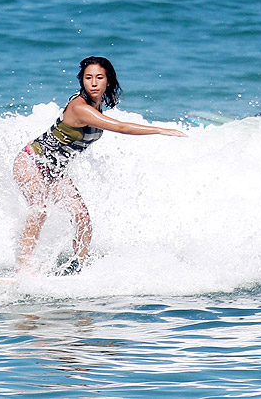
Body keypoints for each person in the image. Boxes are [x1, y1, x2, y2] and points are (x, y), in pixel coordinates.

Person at [13, 56, 186, 275]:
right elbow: (121, 127)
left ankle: (76, 268)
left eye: (99, 78)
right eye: (88, 78)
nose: (93, 83)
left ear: (108, 81)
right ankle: (23, 269)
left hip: (55, 172)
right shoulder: (80, 107)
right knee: (40, 209)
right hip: (32, 161)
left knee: (82, 218)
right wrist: (160, 130)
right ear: (82, 81)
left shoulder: (97, 105)